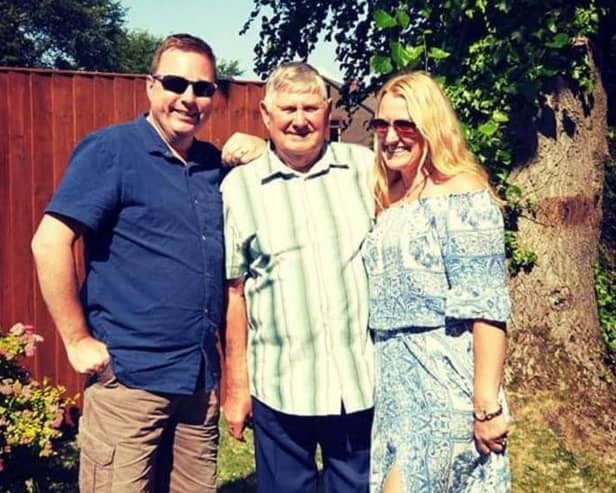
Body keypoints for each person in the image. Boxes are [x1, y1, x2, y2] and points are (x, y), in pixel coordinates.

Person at [31, 33, 223, 493]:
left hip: (198, 384)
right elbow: (50, 242)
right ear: (151, 86)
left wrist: (258, 151)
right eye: (176, 83)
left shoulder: (214, 165)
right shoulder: (112, 151)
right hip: (130, 381)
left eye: (202, 88)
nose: (188, 98)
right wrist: (77, 339)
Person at [221, 62, 375, 493]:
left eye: (311, 107)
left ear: (328, 112)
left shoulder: (365, 170)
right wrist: (237, 387)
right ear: (266, 115)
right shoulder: (239, 188)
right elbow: (235, 293)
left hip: (358, 383)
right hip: (280, 386)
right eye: (288, 108)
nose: (299, 120)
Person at [361, 71, 511, 492]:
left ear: (430, 126)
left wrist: (486, 405)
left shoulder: (462, 193)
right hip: (393, 382)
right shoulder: (388, 193)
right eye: (382, 124)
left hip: (444, 382)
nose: (391, 137)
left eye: (404, 125)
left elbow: (487, 306)